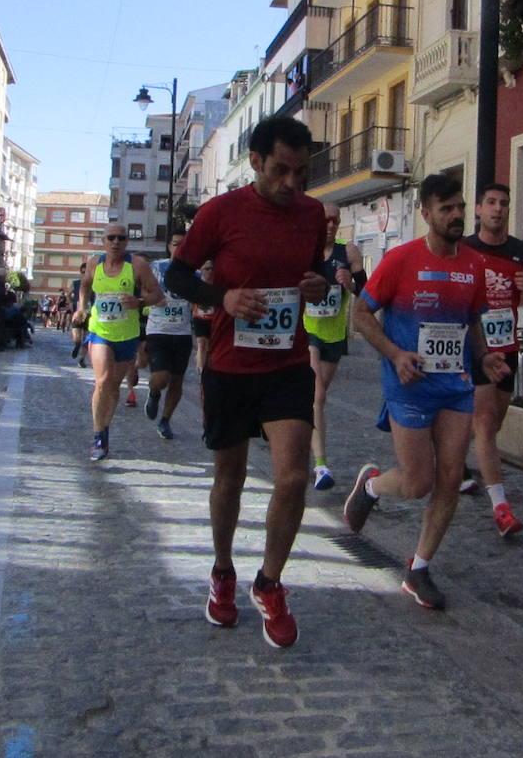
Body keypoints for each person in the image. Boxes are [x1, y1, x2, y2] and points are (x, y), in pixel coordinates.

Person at [164, 115, 330, 648]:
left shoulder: (310, 214)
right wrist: (223, 300)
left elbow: (318, 273)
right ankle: (221, 572)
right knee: (230, 478)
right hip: (231, 364)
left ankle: (270, 582)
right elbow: (177, 274)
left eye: (300, 173)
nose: (290, 184)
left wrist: (317, 283)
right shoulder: (220, 212)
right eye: (281, 170)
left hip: (286, 363)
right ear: (255, 161)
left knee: (292, 477)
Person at [344, 174, 507, 611]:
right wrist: (396, 354)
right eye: (445, 209)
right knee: (418, 482)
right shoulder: (400, 260)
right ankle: (373, 486)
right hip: (409, 384)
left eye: (459, 206)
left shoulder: (474, 264)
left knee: (451, 477)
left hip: (455, 384)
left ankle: (418, 568)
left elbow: (472, 322)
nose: (455, 215)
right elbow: (361, 314)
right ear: (426, 213)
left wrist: (485, 357)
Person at [460, 182, 523, 535]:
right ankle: (501, 508)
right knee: (483, 424)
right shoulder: (464, 248)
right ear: (479, 209)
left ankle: (453, 461)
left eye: (504, 204)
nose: (498, 209)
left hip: (507, 345)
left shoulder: (521, 251)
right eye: (491, 203)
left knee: (492, 424)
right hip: (475, 346)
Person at [78, 227, 162, 461]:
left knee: (113, 386)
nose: (116, 242)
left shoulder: (137, 266)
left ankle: (104, 429)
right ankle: (98, 436)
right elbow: (84, 286)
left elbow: (158, 295)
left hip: (126, 334)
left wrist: (140, 301)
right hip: (100, 331)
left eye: (121, 238)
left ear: (126, 242)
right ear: (103, 241)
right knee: (102, 380)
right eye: (111, 238)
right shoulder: (95, 264)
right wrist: (80, 308)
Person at [302, 202, 365, 490]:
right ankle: (321, 466)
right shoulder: (305, 251)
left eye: (335, 221)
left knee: (317, 399)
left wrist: (350, 282)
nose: (330, 225)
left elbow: (367, 291)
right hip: (308, 331)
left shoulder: (348, 252)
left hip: (335, 336)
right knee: (316, 396)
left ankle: (299, 434)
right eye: (325, 220)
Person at [144, 228, 194, 440]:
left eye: (183, 244)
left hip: (182, 333)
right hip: (158, 330)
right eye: (175, 244)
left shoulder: (194, 272)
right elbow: (143, 290)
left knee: (177, 380)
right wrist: (153, 297)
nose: (179, 248)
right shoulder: (156, 267)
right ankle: (154, 392)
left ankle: (165, 420)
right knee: (161, 377)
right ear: (168, 247)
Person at [191, 260, 215, 372]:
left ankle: (209, 369)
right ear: (201, 270)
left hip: (213, 319)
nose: (210, 272)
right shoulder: (197, 283)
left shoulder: (218, 283)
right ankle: (201, 372)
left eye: (212, 269)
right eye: (207, 269)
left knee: (210, 346)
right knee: (201, 344)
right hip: (199, 318)